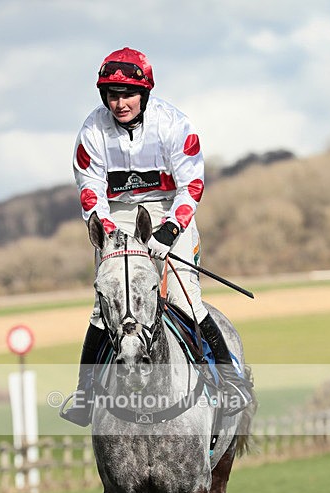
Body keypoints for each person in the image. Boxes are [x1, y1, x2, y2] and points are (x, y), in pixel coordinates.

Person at [61, 46, 252, 426]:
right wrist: (112, 234)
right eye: (112, 96)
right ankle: (84, 395)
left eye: (127, 95)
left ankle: (230, 382)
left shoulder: (174, 125)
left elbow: (191, 185)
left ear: (144, 93)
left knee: (185, 299)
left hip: (168, 210)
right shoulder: (92, 130)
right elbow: (90, 189)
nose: (119, 104)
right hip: (116, 215)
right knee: (105, 307)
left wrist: (169, 230)